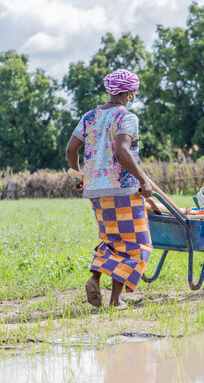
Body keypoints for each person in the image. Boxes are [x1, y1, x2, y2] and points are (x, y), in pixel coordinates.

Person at [65, 69, 153, 309]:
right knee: (136, 245)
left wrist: (79, 177)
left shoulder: (89, 116)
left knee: (112, 239)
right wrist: (143, 179)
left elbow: (71, 149)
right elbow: (122, 151)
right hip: (123, 190)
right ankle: (115, 300)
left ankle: (95, 278)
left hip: (96, 191)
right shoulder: (127, 117)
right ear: (130, 92)